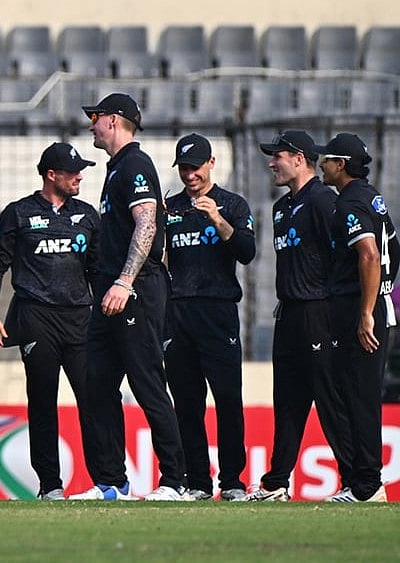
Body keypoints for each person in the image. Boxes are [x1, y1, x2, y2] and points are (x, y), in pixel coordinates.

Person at [68, 93, 187, 501]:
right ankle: (110, 482)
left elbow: (148, 224)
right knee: (98, 384)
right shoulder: (116, 168)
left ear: (115, 121)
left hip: (134, 289)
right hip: (110, 291)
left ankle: (174, 481)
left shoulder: (136, 164)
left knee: (148, 384)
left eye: (96, 117)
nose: (91, 125)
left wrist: (124, 282)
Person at [236, 130, 353, 502]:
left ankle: (359, 482)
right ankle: (276, 483)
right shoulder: (282, 207)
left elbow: (343, 259)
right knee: (287, 401)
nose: (271, 163)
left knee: (329, 398)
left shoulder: (323, 201)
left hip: (319, 311)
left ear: (300, 158)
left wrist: (337, 309)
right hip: (287, 314)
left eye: (278, 156)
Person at [0, 142, 101, 501]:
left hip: (81, 318)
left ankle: (106, 480)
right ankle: (50, 483)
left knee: (94, 400)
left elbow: (97, 269)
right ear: (52, 175)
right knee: (43, 401)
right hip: (36, 317)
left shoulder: (89, 215)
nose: (80, 176)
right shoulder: (18, 213)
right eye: (73, 171)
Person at [162, 134, 256, 501]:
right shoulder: (168, 209)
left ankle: (232, 481)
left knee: (228, 399)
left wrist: (217, 218)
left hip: (218, 312)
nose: (190, 176)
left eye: (195, 168)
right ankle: (197, 482)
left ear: (211, 163)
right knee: (187, 403)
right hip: (179, 314)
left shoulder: (232, 204)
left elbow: (247, 252)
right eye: (184, 169)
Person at [320, 133, 395, 502]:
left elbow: (368, 255)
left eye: (327, 159)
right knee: (353, 394)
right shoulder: (373, 199)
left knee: (359, 398)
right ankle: (360, 482)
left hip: (358, 307)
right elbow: (392, 249)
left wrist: (366, 311)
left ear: (342, 165)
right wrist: (382, 294)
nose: (322, 164)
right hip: (370, 302)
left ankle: (367, 486)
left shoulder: (350, 203)